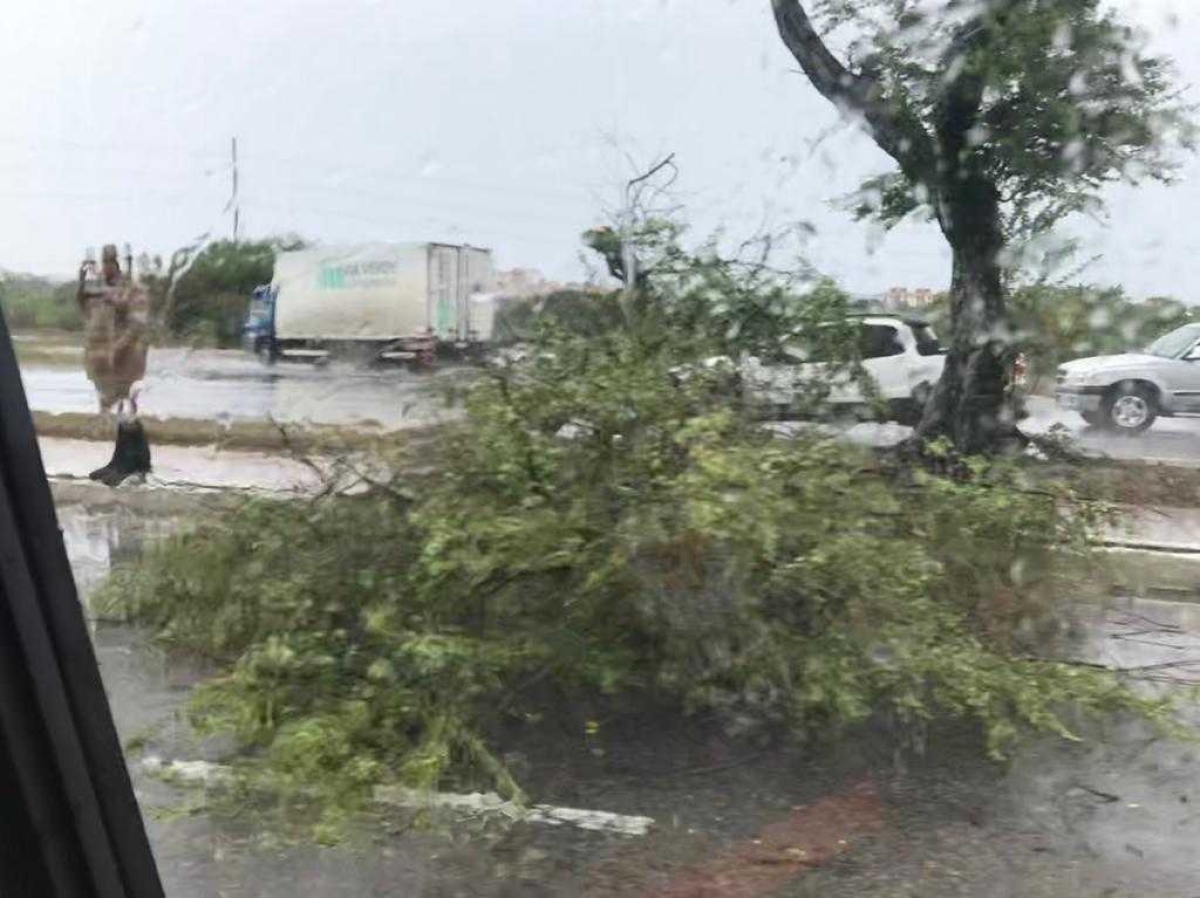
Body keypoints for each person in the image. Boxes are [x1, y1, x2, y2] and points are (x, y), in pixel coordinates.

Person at [76, 243, 152, 486]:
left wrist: (117, 349)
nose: (106, 266)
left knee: (128, 410)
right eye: (104, 261)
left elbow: (137, 324)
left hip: (127, 358)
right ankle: (120, 461)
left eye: (110, 261)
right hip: (107, 362)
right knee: (120, 411)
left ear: (117, 262)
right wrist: (82, 281)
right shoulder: (101, 289)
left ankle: (137, 464)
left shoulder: (132, 289)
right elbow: (86, 309)